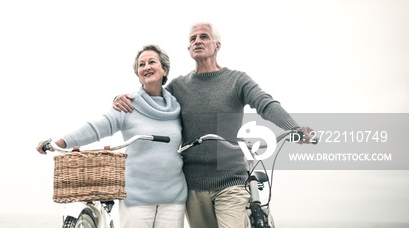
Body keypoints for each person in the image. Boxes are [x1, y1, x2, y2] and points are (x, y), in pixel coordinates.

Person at [113, 23, 314, 228]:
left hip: (231, 181)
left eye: (204, 37)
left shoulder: (237, 80)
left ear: (217, 45)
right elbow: (151, 99)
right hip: (193, 185)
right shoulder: (178, 87)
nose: (198, 41)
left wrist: (293, 127)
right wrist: (123, 98)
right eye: (193, 39)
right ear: (189, 49)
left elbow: (265, 103)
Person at [37, 45, 187, 228]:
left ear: (164, 69)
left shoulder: (178, 107)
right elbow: (96, 128)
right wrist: (59, 142)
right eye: (141, 64)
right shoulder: (128, 105)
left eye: (152, 62)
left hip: (174, 199)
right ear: (138, 73)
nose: (146, 67)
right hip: (137, 198)